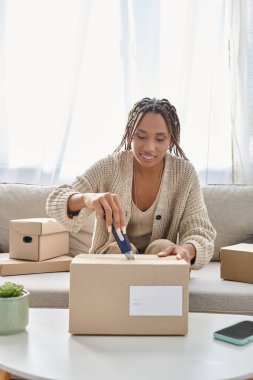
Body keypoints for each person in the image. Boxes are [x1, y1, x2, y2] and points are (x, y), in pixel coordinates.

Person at [46, 97, 216, 270]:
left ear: (171, 140)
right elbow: (55, 201)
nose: (149, 147)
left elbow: (200, 231)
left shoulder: (185, 174)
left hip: (160, 262)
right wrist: (87, 198)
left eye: (160, 139)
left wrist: (186, 249)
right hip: (113, 262)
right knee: (115, 252)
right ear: (129, 134)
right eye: (141, 136)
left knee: (163, 246)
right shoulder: (110, 167)